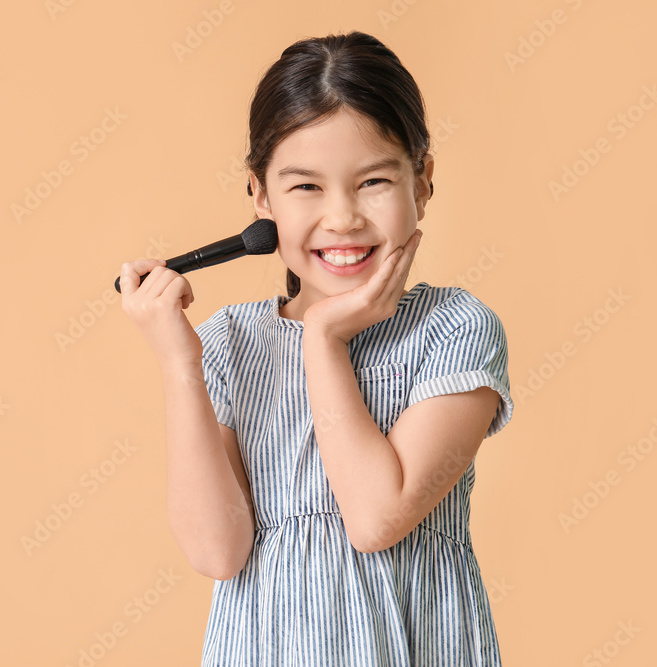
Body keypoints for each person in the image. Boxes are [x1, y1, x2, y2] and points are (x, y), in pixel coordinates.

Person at [120, 30, 514, 667]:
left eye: (374, 182)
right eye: (306, 187)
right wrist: (178, 362)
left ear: (425, 178)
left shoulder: (454, 330)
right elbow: (218, 552)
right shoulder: (230, 344)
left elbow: (374, 518)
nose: (343, 218)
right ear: (260, 195)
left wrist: (324, 339)